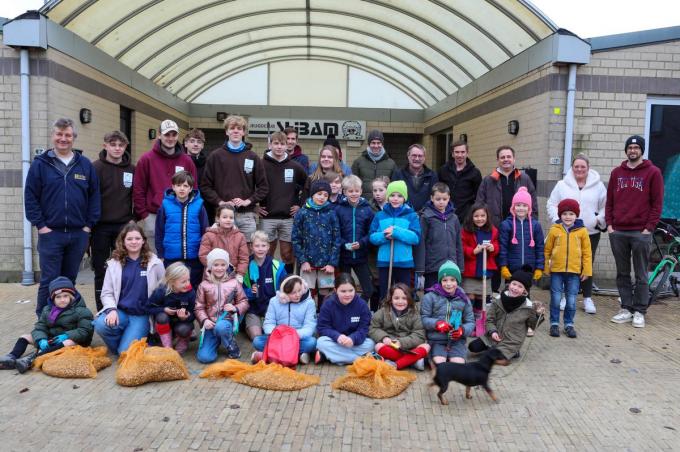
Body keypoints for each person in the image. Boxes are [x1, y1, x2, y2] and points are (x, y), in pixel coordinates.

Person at [24, 118, 101, 317]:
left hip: (78, 234)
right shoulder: (40, 165)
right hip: (51, 233)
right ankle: (44, 320)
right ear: (53, 136)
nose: (63, 139)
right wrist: (40, 225)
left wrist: (88, 226)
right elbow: (30, 197)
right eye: (59, 134)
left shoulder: (84, 165)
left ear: (73, 137)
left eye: (67, 135)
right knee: (49, 281)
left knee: (69, 281)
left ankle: (65, 320)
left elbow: (94, 196)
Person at [608, 135, 664, 329]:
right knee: (622, 273)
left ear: (642, 150)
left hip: (641, 232)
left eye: (636, 147)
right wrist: (610, 225)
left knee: (641, 273)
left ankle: (640, 311)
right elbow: (610, 201)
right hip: (619, 231)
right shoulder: (617, 173)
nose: (632, 150)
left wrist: (649, 228)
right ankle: (626, 308)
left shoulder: (653, 172)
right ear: (626, 150)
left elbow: (657, 204)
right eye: (630, 147)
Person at [546, 153, 606, 314]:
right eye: (576, 166)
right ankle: (565, 296)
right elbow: (551, 203)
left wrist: (597, 220)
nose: (579, 169)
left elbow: (605, 206)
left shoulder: (599, 186)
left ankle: (587, 298)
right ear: (572, 168)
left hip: (590, 232)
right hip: (566, 232)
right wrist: (557, 220)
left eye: (583, 167)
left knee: (587, 263)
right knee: (567, 262)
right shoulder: (561, 185)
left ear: (588, 168)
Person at [94, 224, 165, 355]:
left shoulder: (155, 263)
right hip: (121, 313)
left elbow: (163, 288)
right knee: (100, 324)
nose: (134, 242)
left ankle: (127, 346)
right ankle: (127, 344)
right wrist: (111, 310)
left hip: (141, 316)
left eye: (137, 238)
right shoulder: (114, 264)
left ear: (143, 240)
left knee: (125, 352)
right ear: (123, 241)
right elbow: (106, 293)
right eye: (130, 239)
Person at [476, 145, 537, 296]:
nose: (506, 160)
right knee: (497, 260)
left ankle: (520, 294)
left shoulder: (524, 179)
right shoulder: (488, 181)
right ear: (497, 160)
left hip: (519, 227)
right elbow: (480, 203)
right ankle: (496, 292)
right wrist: (485, 225)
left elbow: (533, 204)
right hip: (496, 228)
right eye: (502, 157)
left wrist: (530, 224)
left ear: (514, 158)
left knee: (517, 260)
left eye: (508, 156)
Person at [0, 277, 94, 373]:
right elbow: (40, 327)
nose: (62, 300)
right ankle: (11, 357)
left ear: (71, 296)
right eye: (58, 297)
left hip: (75, 341)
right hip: (52, 338)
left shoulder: (81, 311)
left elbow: (85, 331)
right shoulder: (47, 310)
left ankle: (31, 359)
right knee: (25, 337)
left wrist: (67, 335)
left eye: (65, 296)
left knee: (68, 342)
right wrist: (41, 339)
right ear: (53, 299)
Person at [201, 115, 269, 242]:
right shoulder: (215, 156)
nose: (236, 131)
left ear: (243, 132)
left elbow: (263, 187)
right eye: (232, 128)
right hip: (223, 215)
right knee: (223, 254)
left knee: (247, 254)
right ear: (227, 131)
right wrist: (221, 202)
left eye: (239, 128)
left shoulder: (252, 157)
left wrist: (248, 201)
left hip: (247, 216)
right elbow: (205, 186)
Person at [133, 119, 197, 251]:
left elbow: (194, 189)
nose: (170, 138)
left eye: (174, 135)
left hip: (180, 214)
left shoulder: (187, 160)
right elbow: (138, 190)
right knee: (154, 260)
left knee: (176, 259)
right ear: (159, 135)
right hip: (153, 216)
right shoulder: (146, 159)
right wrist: (144, 215)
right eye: (167, 134)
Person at [91, 130, 135, 311]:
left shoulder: (132, 169)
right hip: (99, 227)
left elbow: (136, 196)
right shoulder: (95, 168)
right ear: (105, 145)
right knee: (101, 271)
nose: (117, 148)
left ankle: (123, 308)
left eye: (121, 145)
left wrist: (134, 219)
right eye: (113, 144)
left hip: (123, 227)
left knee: (125, 269)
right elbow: (89, 197)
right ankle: (103, 310)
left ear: (125, 147)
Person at [467, 266, 544, 361]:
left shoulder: (528, 306)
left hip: (511, 341)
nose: (515, 288)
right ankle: (493, 347)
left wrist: (538, 314)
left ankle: (512, 351)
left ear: (525, 291)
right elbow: (490, 319)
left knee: (488, 358)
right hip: (492, 336)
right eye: (514, 284)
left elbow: (532, 325)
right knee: (472, 347)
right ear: (509, 284)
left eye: (520, 287)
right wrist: (492, 331)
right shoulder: (498, 299)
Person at [258, 131, 307, 274]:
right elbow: (248, 185)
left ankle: (288, 281)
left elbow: (307, 185)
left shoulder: (294, 166)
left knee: (287, 254)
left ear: (287, 146)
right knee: (267, 253)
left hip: (288, 218)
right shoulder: (261, 164)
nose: (279, 147)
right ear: (270, 144)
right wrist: (255, 206)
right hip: (267, 217)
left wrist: (300, 204)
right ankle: (267, 283)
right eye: (276, 143)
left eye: (282, 144)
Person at [544, 199, 592, 338]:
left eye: (571, 213)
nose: (568, 217)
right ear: (560, 215)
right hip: (557, 271)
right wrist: (547, 267)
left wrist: (587, 270)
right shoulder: (554, 230)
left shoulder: (582, 231)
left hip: (574, 272)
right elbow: (547, 250)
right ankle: (554, 324)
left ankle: (569, 324)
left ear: (576, 215)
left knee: (571, 300)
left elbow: (587, 253)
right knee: (556, 298)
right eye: (565, 213)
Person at [155, 170, 209, 289]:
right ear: (173, 187)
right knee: (172, 287)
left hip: (193, 257)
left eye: (185, 186)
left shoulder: (199, 205)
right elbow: (159, 231)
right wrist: (160, 253)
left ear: (191, 189)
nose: (182, 189)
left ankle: (191, 307)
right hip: (171, 256)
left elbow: (205, 231)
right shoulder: (165, 205)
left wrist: (203, 252)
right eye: (178, 185)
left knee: (192, 286)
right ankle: (174, 307)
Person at [292, 180, 342, 305]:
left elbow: (337, 239)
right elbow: (296, 239)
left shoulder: (331, 213)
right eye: (319, 194)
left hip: (327, 265)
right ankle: (309, 319)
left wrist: (332, 263)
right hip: (307, 264)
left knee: (326, 296)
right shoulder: (302, 213)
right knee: (306, 293)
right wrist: (303, 261)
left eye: (326, 195)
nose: (322, 197)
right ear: (312, 194)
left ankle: (324, 319)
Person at [369, 180, 421, 301]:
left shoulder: (411, 215)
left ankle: (403, 316)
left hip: (404, 262)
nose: (395, 199)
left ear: (404, 198)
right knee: (385, 293)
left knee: (403, 294)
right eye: (392, 195)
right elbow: (372, 237)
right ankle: (385, 317)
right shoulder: (380, 215)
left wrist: (396, 232)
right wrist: (384, 236)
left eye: (399, 196)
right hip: (385, 262)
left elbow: (415, 238)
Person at [195, 248, 249, 363]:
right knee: (205, 358)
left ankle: (231, 345)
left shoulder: (234, 283)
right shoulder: (204, 285)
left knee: (221, 327)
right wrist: (204, 320)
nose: (219, 268)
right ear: (210, 267)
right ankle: (216, 341)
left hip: (226, 322)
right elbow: (199, 307)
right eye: (216, 265)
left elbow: (244, 301)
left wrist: (235, 308)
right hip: (210, 325)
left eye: (223, 265)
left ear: (227, 265)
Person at [251, 275, 318, 364]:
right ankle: (298, 356)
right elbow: (268, 323)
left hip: (297, 338)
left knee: (312, 343)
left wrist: (292, 335)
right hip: (278, 337)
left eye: (299, 290)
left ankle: (269, 355)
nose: (298, 295)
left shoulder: (309, 303)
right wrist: (278, 334)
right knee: (257, 341)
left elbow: (309, 327)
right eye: (293, 292)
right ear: (284, 293)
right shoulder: (274, 301)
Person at [421, 261, 474, 364]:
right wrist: (437, 324)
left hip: (457, 341)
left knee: (458, 365)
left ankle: (455, 355)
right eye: (445, 280)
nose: (448, 284)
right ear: (440, 281)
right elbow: (423, 318)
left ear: (457, 281)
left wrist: (462, 330)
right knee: (440, 364)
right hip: (436, 339)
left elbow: (471, 321)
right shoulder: (430, 297)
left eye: (452, 280)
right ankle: (432, 357)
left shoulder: (464, 298)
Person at [315, 274, 375, 364]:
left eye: (351, 290)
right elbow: (322, 327)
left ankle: (334, 356)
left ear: (355, 289)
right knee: (321, 342)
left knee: (370, 344)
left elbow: (365, 328)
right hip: (336, 341)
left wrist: (353, 338)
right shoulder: (328, 304)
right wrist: (337, 336)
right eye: (343, 291)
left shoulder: (362, 305)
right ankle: (361, 360)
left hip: (354, 343)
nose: (347, 294)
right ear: (335, 290)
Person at [369, 283, 429, 370]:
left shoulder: (415, 314)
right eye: (396, 298)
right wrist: (384, 337)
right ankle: (412, 361)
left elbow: (419, 334)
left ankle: (395, 364)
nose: (400, 302)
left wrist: (401, 342)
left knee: (426, 346)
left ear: (409, 299)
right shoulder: (382, 312)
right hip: (390, 345)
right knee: (378, 346)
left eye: (404, 298)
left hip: (409, 347)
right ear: (391, 299)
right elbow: (373, 328)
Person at [415, 183, 463, 290]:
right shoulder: (426, 217)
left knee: (449, 297)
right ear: (432, 198)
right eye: (438, 199)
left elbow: (458, 243)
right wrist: (420, 268)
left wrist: (460, 266)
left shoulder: (454, 218)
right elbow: (421, 242)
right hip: (433, 267)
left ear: (449, 198)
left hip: (451, 265)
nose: (441, 202)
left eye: (444, 199)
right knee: (433, 297)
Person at [335, 175, 375, 301]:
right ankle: (346, 311)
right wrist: (344, 244)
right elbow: (335, 232)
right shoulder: (339, 209)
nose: (354, 194)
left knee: (368, 289)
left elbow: (371, 232)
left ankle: (358, 308)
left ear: (361, 191)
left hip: (360, 256)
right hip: (344, 257)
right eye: (350, 191)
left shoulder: (367, 209)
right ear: (344, 192)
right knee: (344, 289)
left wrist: (361, 243)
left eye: (356, 191)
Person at [242, 231, 287, 341]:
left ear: (268, 247)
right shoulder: (245, 266)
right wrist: (250, 292)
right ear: (251, 247)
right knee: (256, 338)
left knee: (275, 335)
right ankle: (249, 324)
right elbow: (239, 291)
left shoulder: (277, 266)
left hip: (271, 308)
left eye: (263, 245)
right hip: (253, 308)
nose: (260, 249)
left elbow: (286, 288)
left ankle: (267, 324)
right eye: (257, 246)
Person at [461, 202, 500, 328]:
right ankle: (469, 324)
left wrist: (493, 248)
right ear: (471, 217)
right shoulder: (466, 231)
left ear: (487, 216)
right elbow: (462, 247)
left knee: (482, 298)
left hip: (485, 271)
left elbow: (497, 246)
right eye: (476, 216)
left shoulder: (493, 231)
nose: (480, 219)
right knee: (469, 297)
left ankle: (479, 325)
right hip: (470, 271)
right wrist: (473, 251)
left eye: (482, 216)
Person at [146, 262, 196, 354]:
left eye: (188, 280)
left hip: (182, 323)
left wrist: (187, 316)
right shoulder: (161, 291)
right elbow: (148, 308)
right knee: (161, 316)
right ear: (171, 281)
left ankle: (183, 342)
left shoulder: (190, 292)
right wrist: (163, 309)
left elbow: (194, 313)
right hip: (165, 323)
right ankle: (167, 346)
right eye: (183, 282)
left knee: (183, 330)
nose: (187, 284)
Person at [498, 187, 545, 285]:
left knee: (525, 294)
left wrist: (539, 267)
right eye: (518, 205)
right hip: (511, 269)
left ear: (529, 208)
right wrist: (503, 266)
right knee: (510, 293)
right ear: (513, 207)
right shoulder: (506, 224)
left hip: (528, 269)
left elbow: (540, 248)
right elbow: (503, 248)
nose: (521, 208)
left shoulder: (536, 225)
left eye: (524, 205)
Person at [199, 205, 249, 282]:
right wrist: (216, 269)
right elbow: (203, 255)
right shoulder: (208, 235)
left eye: (231, 218)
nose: (228, 220)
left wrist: (240, 274)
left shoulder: (240, 236)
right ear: (218, 219)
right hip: (212, 276)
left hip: (233, 276)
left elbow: (244, 258)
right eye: (225, 217)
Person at [437, 140, 482, 221]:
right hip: (445, 215)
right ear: (452, 154)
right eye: (457, 152)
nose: (460, 155)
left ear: (467, 153)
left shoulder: (475, 173)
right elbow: (438, 191)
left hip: (466, 217)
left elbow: (478, 196)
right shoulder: (443, 170)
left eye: (462, 152)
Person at [391, 144, 438, 213]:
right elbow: (393, 196)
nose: (417, 158)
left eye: (420, 156)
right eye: (414, 155)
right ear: (408, 156)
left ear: (424, 158)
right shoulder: (398, 174)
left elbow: (435, 197)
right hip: (403, 215)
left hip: (426, 217)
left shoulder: (432, 175)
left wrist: (423, 213)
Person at [351, 129, 397, 199]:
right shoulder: (358, 162)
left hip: (384, 205)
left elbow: (394, 186)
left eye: (378, 143)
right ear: (369, 144)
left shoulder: (391, 163)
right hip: (363, 203)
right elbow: (353, 184)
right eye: (373, 143)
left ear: (382, 144)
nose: (376, 146)